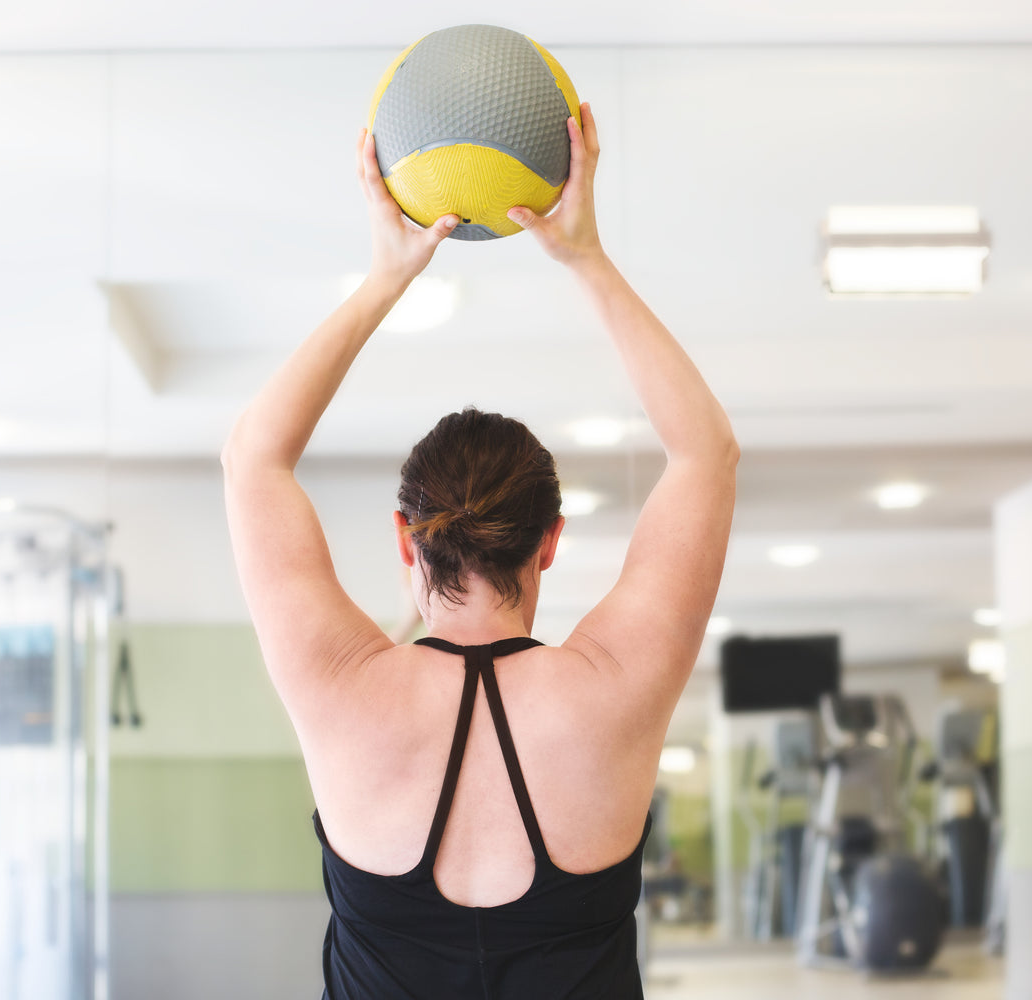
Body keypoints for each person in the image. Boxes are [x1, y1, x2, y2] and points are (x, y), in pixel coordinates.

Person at [223, 103, 737, 999]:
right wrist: (583, 255)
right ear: (550, 544)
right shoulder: (614, 685)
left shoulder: (343, 686)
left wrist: (388, 273)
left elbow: (252, 458)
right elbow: (705, 454)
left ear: (406, 540)